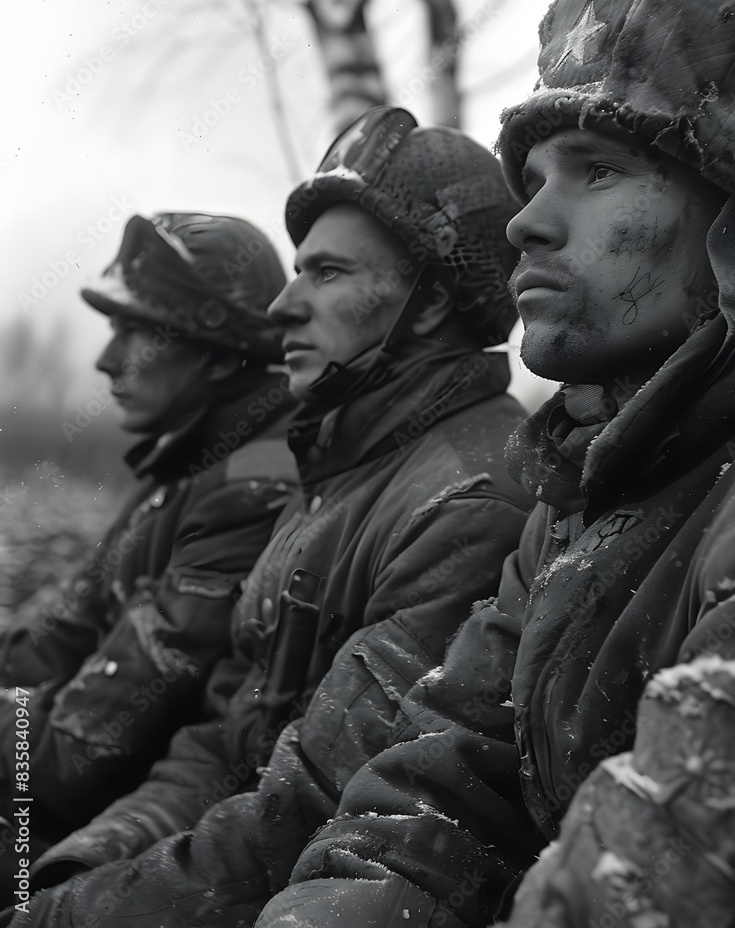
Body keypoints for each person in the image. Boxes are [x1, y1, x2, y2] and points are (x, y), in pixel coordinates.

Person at [243, 0, 735, 928]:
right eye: (532, 181)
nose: (525, 223)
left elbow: (655, 890)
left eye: (597, 171)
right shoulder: (588, 480)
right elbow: (434, 800)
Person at [10, 108, 533, 925]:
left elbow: (305, 808)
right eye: (295, 271)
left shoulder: (464, 502)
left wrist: (64, 911)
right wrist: (85, 863)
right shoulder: (334, 475)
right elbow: (222, 743)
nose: (284, 305)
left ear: (430, 302)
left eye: (326, 272)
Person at [0, 212, 298, 902]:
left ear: (219, 356)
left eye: (136, 332)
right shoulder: (183, 464)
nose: (106, 360)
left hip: (105, 847)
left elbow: (81, 752)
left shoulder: (254, 485)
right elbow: (52, 637)